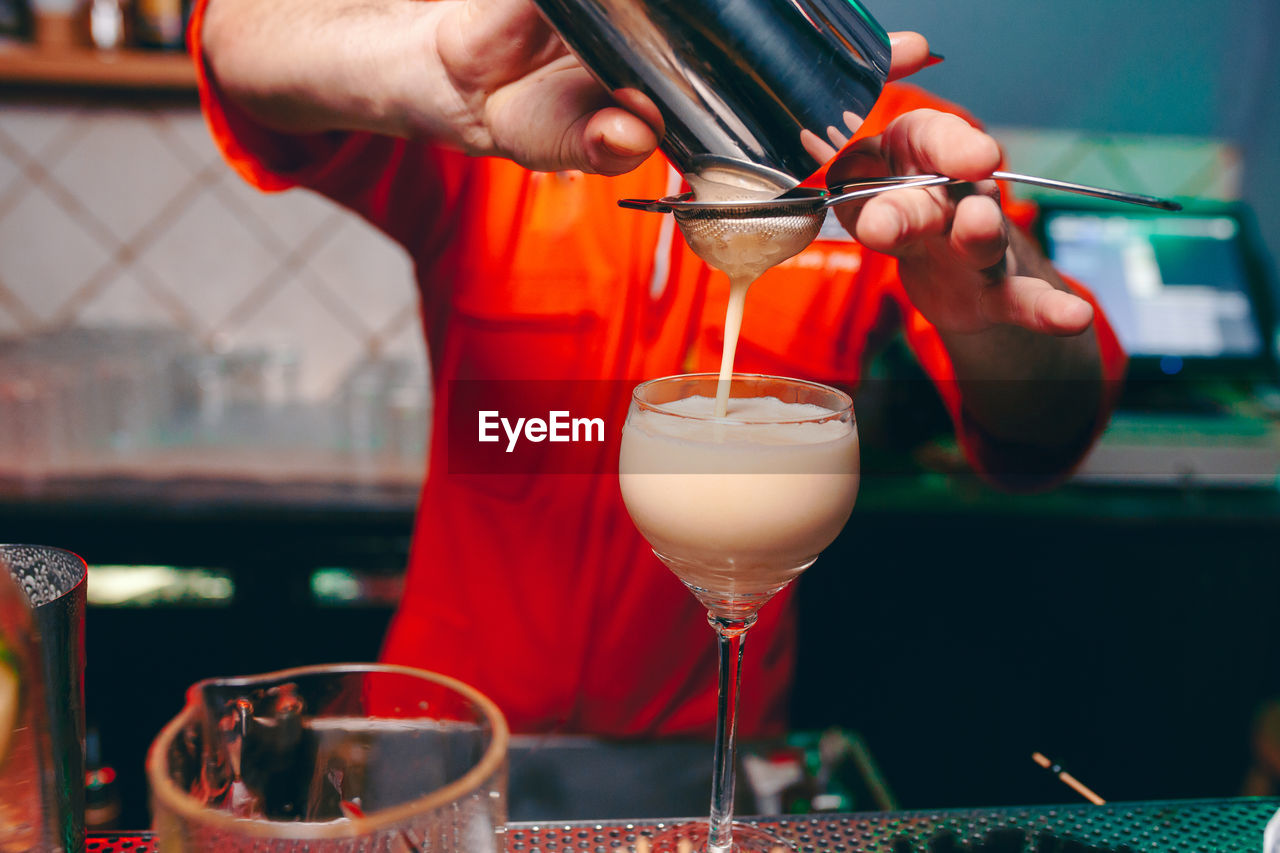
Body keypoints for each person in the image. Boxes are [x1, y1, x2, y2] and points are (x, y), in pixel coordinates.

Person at [192, 0, 1125, 738]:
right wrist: (429, 56)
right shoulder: (528, 89)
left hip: (708, 744)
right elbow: (237, 44)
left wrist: (986, 303)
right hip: (447, 728)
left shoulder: (894, 148)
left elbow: (1044, 429)